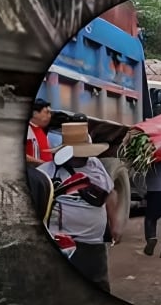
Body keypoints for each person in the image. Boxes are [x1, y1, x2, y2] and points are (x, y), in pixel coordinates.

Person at [37, 124, 122, 293]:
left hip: (94, 247)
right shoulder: (46, 173)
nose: (81, 157)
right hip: (63, 246)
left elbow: (111, 194)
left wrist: (115, 224)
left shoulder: (95, 165)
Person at [26, 98, 53, 165]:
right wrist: (39, 162)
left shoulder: (40, 129)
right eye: (47, 112)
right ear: (35, 114)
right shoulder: (29, 130)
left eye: (50, 113)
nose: (49, 116)